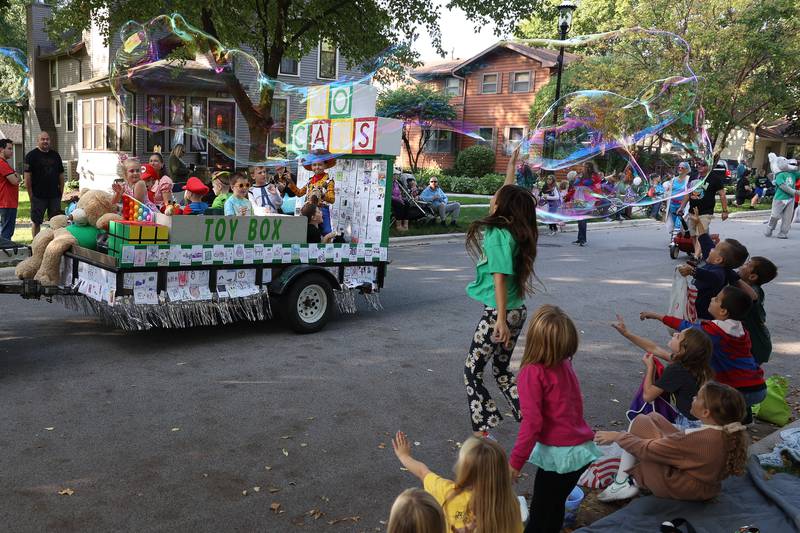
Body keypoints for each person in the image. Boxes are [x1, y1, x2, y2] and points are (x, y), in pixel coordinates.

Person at [509, 305, 601, 533]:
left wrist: (515, 463)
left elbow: (532, 423)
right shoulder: (565, 363)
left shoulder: (532, 372)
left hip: (560, 455)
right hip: (579, 451)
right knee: (553, 506)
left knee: (540, 513)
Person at [464, 178, 538, 436]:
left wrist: (500, 319)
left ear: (501, 206)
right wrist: (509, 169)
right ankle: (531, 420)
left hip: (500, 313)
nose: (490, 201)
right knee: (502, 370)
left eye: (495, 198)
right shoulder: (514, 231)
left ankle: (483, 428)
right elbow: (507, 194)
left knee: (472, 370)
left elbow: (499, 276)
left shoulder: (497, 234)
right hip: (517, 311)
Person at [595, 382, 749, 502]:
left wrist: (617, 436)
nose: (693, 398)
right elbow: (682, 443)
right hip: (703, 487)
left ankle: (621, 483)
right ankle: (624, 481)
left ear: (706, 412)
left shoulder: (700, 439)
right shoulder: (725, 432)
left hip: (683, 488)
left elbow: (646, 449)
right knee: (654, 417)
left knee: (640, 421)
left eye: (698, 397)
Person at [641, 285, 766, 422]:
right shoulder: (742, 331)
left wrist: (658, 316)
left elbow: (686, 328)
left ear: (723, 311)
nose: (712, 298)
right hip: (758, 386)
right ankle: (744, 419)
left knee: (718, 409)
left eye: (717, 299)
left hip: (737, 390)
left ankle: (726, 430)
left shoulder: (713, 332)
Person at [392, 431, 522, 532]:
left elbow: (422, 472)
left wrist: (404, 456)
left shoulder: (448, 492)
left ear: (464, 472)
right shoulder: (510, 503)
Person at [611, 315, 713, 428]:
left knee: (641, 424)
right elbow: (653, 348)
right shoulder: (694, 363)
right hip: (704, 421)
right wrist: (626, 333)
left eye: (678, 336)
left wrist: (650, 368)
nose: (674, 334)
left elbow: (648, 396)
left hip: (690, 424)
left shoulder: (677, 369)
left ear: (684, 349)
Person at [676, 209, 750, 320]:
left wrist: (692, 270)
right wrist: (698, 223)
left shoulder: (720, 273)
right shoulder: (714, 260)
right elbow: (705, 239)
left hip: (703, 316)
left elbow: (712, 277)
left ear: (718, 260)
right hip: (694, 309)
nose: (711, 249)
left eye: (715, 249)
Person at [680, 159, 728, 257]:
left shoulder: (714, 178)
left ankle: (696, 257)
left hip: (706, 212)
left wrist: (725, 211)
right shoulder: (693, 176)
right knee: (693, 235)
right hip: (692, 211)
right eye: (698, 164)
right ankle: (698, 254)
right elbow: (688, 193)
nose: (699, 166)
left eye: (702, 165)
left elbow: (722, 195)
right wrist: (682, 207)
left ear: (708, 166)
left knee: (700, 235)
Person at [738, 257, 778, 365]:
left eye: (748, 264)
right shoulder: (742, 286)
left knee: (747, 375)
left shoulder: (755, 290)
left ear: (752, 276)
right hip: (752, 343)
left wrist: (736, 279)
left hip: (756, 346)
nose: (743, 264)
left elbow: (753, 297)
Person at [25, 131, 64, 238]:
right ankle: (35, 245)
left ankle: (54, 245)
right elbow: (27, 178)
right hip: (38, 196)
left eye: (47, 139)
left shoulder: (55, 155)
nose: (45, 141)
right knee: (36, 222)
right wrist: (31, 195)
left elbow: (61, 175)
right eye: (43, 139)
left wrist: (61, 192)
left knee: (56, 222)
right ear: (38, 141)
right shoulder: (31, 156)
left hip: (54, 196)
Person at [288, 149, 336, 232]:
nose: (317, 167)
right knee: (307, 232)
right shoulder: (310, 181)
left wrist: (322, 195)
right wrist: (291, 182)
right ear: (311, 167)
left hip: (322, 211)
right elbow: (299, 193)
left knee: (326, 232)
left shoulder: (329, 181)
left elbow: (332, 199)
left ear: (325, 166)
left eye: (320, 165)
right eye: (314, 165)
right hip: (309, 211)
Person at [764, 162, 798, 239]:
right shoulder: (780, 175)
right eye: (792, 165)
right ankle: (770, 227)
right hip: (780, 198)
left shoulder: (794, 174)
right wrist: (795, 192)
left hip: (790, 199)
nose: (794, 166)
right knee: (775, 215)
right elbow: (783, 186)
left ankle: (783, 233)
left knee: (787, 217)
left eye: (794, 165)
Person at [572, 162, 600, 246]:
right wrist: (579, 178)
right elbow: (575, 183)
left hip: (587, 198)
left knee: (583, 218)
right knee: (579, 219)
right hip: (579, 197)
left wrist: (581, 180)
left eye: (584, 166)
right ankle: (579, 238)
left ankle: (583, 239)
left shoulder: (593, 176)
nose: (582, 168)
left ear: (588, 168)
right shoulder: (582, 175)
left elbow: (593, 185)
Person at [0, 139, 20, 240]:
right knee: (6, 232)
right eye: (9, 148)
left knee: (3, 229)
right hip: (7, 202)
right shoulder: (2, 164)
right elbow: (15, 181)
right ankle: (4, 253)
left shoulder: (4, 163)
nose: (12, 151)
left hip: (6, 202)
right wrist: (17, 175)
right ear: (1, 149)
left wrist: (15, 175)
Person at [664, 162, 690, 240]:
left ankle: (674, 240)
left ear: (687, 170)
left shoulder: (688, 179)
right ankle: (675, 238)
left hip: (682, 205)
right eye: (679, 167)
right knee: (674, 222)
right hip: (672, 204)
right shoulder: (673, 179)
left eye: (682, 168)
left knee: (678, 223)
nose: (680, 169)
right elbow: (668, 191)